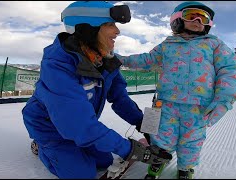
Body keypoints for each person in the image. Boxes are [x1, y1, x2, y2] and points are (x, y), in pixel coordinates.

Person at [21, 1, 172, 179]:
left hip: (79, 125)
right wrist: (130, 150)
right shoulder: (58, 67)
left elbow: (119, 98)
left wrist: (142, 123)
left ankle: (77, 147)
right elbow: (77, 124)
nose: (117, 31)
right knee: (82, 174)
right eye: (109, 25)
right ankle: (42, 147)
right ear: (87, 30)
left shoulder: (105, 60)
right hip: (50, 128)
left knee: (104, 161)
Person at [116, 1, 236, 179]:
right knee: (161, 137)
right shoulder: (168, 44)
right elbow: (147, 59)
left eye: (203, 18)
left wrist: (224, 98)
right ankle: (158, 162)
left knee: (191, 141)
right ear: (177, 20)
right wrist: (121, 60)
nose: (198, 20)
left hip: (198, 107)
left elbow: (229, 69)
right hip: (167, 104)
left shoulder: (214, 45)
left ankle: (185, 168)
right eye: (191, 15)